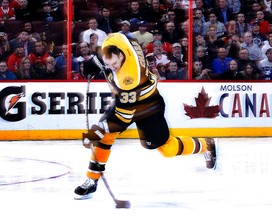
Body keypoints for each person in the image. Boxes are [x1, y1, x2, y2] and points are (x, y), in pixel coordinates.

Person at [74, 32, 216, 199]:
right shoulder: (115, 42)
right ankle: (92, 180)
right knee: (105, 138)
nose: (112, 67)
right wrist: (95, 62)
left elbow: (121, 119)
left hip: (148, 106)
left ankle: (206, 145)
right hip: (126, 99)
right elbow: (114, 44)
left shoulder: (129, 78)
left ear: (121, 55)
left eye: (114, 64)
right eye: (108, 64)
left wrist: (96, 132)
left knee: (167, 149)